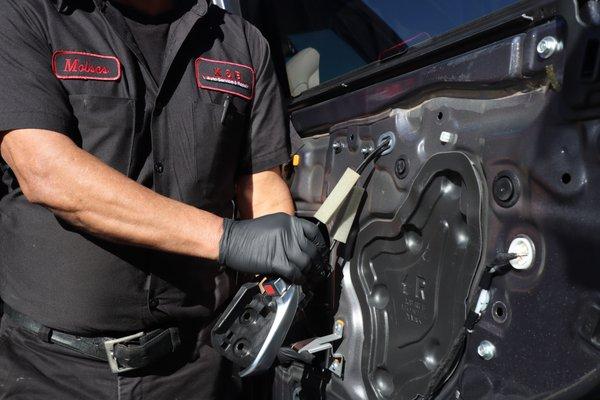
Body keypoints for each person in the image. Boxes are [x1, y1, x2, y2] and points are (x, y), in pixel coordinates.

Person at [0, 0, 328, 398]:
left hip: (193, 365)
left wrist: (280, 271)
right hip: (52, 371)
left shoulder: (242, 43)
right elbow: (47, 173)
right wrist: (229, 239)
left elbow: (259, 181)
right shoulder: (29, 14)